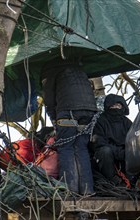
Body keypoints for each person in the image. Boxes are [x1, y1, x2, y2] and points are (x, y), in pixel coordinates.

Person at [41, 60, 98, 195]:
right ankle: (87, 190)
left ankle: (70, 190)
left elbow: (49, 98)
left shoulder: (51, 69)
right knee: (81, 148)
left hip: (68, 110)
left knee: (66, 148)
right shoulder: (80, 69)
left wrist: (54, 118)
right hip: (89, 111)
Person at [89, 94, 132, 186]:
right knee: (105, 151)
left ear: (123, 106)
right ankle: (113, 180)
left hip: (125, 153)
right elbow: (98, 142)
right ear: (108, 106)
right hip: (107, 154)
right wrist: (117, 152)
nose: (116, 107)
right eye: (113, 105)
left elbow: (133, 141)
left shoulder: (127, 123)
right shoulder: (100, 121)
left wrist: (125, 152)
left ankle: (132, 180)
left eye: (118, 105)